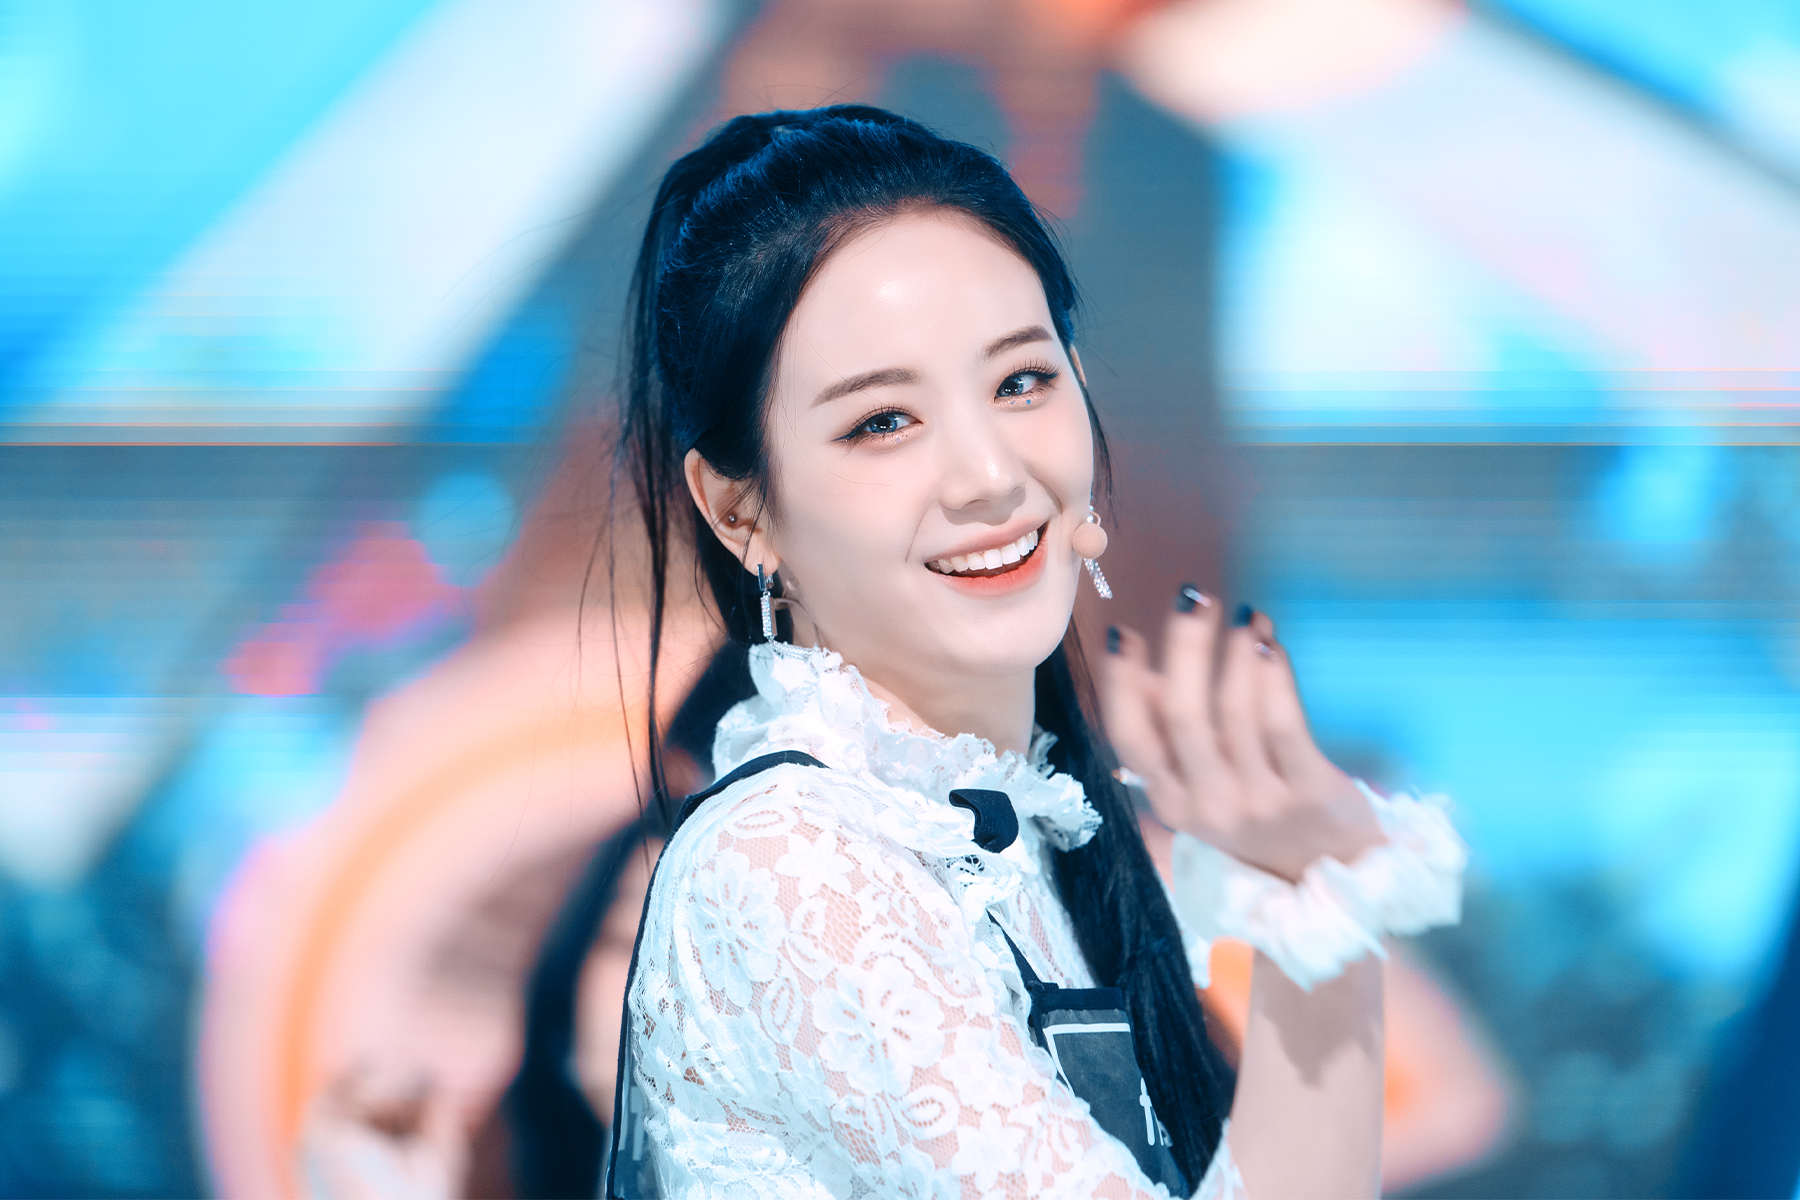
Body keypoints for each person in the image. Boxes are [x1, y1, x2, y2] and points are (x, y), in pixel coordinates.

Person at [612, 104, 1465, 1198]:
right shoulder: (790, 863)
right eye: (883, 421)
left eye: (1021, 381)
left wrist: (1316, 897)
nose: (989, 475)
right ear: (741, 513)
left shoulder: (1032, 835)